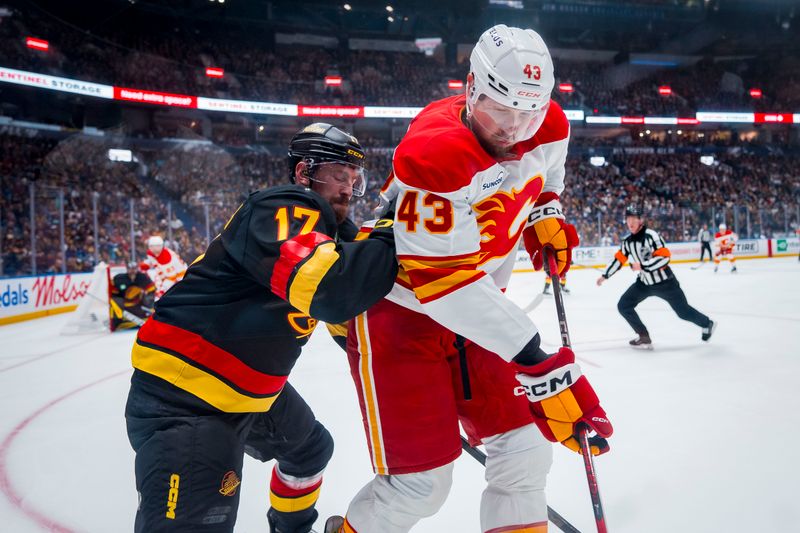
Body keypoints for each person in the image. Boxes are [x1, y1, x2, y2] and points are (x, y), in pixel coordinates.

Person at [328, 25, 612, 533]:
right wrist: (541, 365)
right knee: (420, 485)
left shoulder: (547, 124)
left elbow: (546, 179)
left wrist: (544, 214)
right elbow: (445, 284)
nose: (513, 130)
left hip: (479, 312)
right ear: (470, 88)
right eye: (500, 112)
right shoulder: (434, 155)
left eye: (528, 114)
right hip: (403, 313)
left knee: (526, 453)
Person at [124, 123, 398, 533]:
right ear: (306, 172)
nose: (348, 190)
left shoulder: (332, 234)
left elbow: (348, 320)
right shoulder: (284, 205)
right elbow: (329, 291)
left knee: (310, 451)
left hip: (246, 392)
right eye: (340, 176)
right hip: (188, 398)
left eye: (354, 181)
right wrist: (394, 229)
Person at [596, 204, 716, 349]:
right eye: (628, 219)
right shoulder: (627, 242)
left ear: (641, 220)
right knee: (624, 305)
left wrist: (642, 265)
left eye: (634, 218)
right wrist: (605, 275)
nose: (630, 222)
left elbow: (664, 258)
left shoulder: (651, 236)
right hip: (644, 284)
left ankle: (707, 323)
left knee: (683, 312)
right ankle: (643, 336)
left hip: (666, 283)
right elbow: (618, 260)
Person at [109, 261, 156, 331]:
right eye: (130, 269)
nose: (132, 271)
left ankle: (145, 316)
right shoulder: (119, 279)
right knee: (114, 302)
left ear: (137, 269)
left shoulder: (142, 277)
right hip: (125, 305)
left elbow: (152, 290)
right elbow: (113, 293)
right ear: (127, 269)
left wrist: (149, 303)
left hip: (139, 305)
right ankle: (118, 321)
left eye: (134, 268)